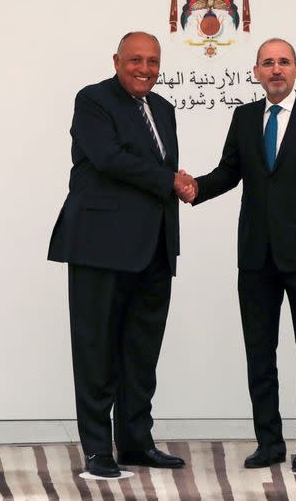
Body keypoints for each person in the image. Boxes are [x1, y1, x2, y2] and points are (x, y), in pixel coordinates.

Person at [186, 38, 296, 472]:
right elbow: (229, 171)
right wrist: (195, 188)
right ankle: (269, 442)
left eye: (283, 62)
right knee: (260, 352)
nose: (275, 69)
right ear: (256, 72)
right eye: (267, 63)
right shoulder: (243, 117)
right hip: (256, 255)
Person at [48, 31, 196, 478]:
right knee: (96, 351)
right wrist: (171, 180)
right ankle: (97, 450)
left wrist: (179, 183)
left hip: (153, 248)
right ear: (117, 60)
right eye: (135, 60)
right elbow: (109, 159)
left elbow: (161, 169)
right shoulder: (93, 100)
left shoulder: (165, 109)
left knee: (141, 351)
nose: (145, 69)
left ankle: (135, 442)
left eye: (153, 61)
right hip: (100, 245)